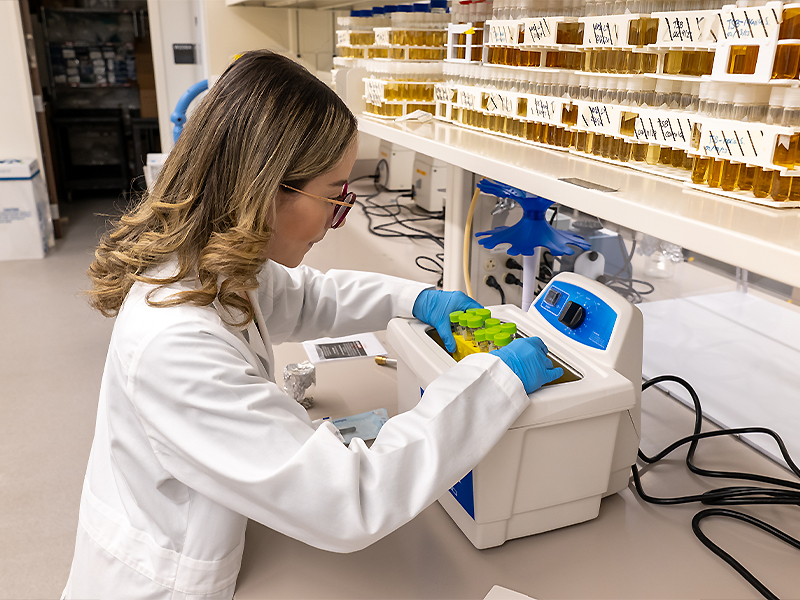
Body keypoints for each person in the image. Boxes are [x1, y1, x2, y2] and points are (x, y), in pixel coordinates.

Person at [62, 50, 562, 599]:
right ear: (265, 187)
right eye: (334, 195)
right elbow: (349, 502)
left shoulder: (209, 262)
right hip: (167, 579)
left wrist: (419, 297)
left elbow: (307, 298)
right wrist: (496, 381)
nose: (337, 214)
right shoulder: (176, 345)